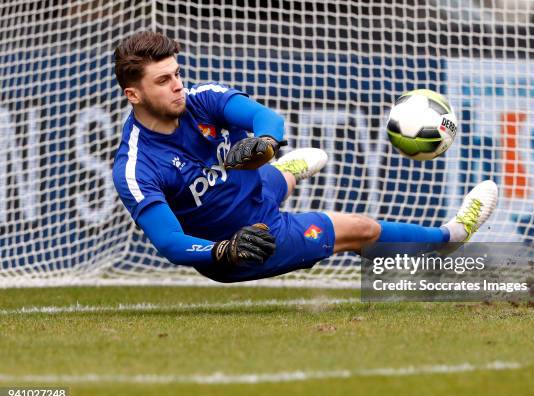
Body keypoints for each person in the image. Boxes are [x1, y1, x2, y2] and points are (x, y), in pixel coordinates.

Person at [112, 31, 498, 283]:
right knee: (362, 229)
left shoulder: (201, 99)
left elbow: (266, 117)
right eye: (163, 81)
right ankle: (450, 237)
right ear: (134, 95)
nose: (178, 85)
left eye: (177, 74)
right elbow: (169, 241)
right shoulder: (135, 166)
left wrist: (267, 139)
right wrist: (221, 250)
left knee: (259, 172)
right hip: (249, 240)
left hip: (250, 189)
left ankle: (284, 170)